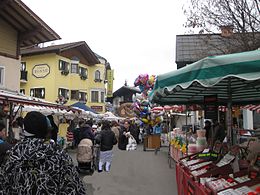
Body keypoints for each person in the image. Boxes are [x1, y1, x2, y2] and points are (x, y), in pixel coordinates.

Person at [0, 111, 86, 194]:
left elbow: (4, 185)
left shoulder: (13, 154)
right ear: (45, 129)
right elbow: (74, 187)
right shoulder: (58, 154)